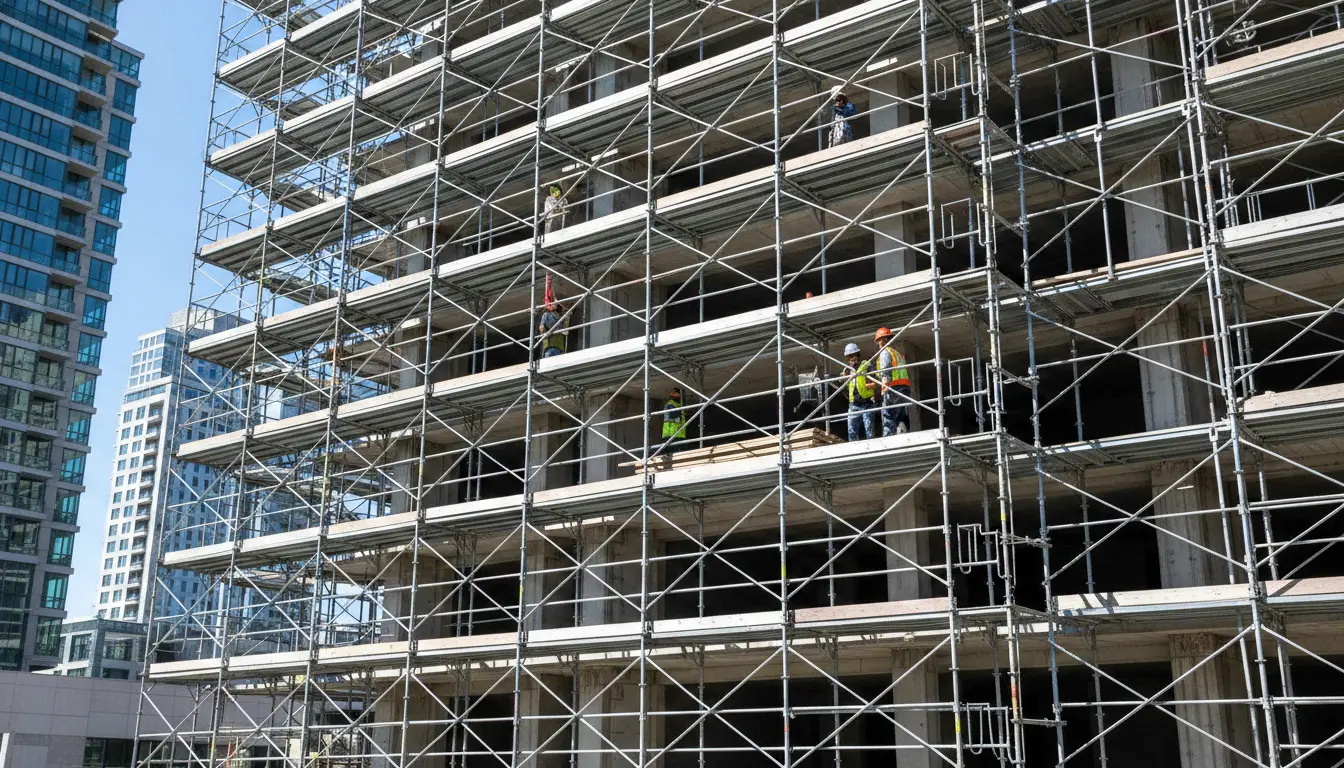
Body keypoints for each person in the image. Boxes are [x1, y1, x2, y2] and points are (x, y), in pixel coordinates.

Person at [874, 327, 911, 436]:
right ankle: (904, 435)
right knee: (901, 415)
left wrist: (884, 389)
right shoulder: (897, 353)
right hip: (904, 387)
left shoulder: (885, 352)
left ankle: (889, 438)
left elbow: (886, 372)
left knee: (888, 415)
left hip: (893, 388)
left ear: (880, 340)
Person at [843, 342, 877, 441]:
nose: (851, 359)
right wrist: (844, 378)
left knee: (869, 431)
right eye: (848, 357)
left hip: (866, 403)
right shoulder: (847, 370)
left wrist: (870, 385)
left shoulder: (865, 365)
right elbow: (845, 387)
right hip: (853, 405)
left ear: (857, 355)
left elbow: (876, 380)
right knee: (851, 431)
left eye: (852, 356)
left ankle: (871, 449)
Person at [538, 274, 567, 357]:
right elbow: (542, 328)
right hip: (549, 346)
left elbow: (566, 331)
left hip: (559, 347)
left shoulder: (562, 318)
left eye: (556, 304)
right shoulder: (546, 315)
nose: (554, 304)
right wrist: (544, 330)